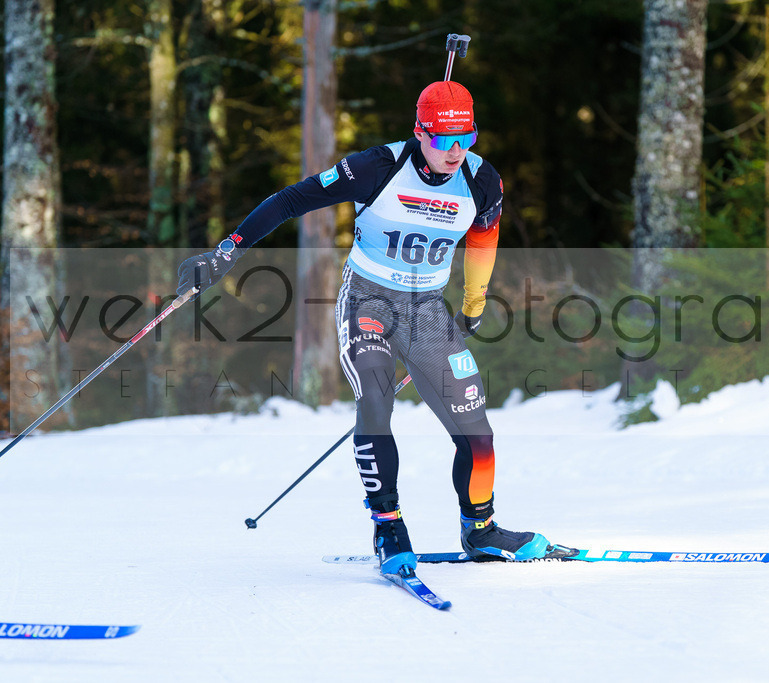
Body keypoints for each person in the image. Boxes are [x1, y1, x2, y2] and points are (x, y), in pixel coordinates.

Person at [177, 81, 568, 575]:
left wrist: (474, 300)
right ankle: (388, 524)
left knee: (479, 435)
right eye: (444, 140)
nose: (456, 152)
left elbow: (483, 238)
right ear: (420, 133)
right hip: (368, 301)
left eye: (465, 138)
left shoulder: (482, 178)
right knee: (377, 403)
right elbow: (289, 201)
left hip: (427, 308)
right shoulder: (376, 168)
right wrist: (227, 250)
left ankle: (481, 530)